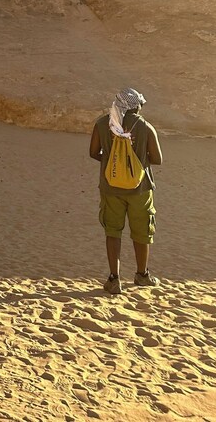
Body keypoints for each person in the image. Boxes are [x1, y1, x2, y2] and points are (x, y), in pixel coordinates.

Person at [89, 87, 163, 294]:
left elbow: (93, 152)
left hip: (110, 188)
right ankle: (142, 275)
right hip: (140, 189)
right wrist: (134, 164)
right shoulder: (145, 127)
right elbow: (157, 159)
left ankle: (114, 280)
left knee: (113, 231)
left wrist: (114, 164)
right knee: (141, 232)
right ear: (135, 106)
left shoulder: (102, 124)